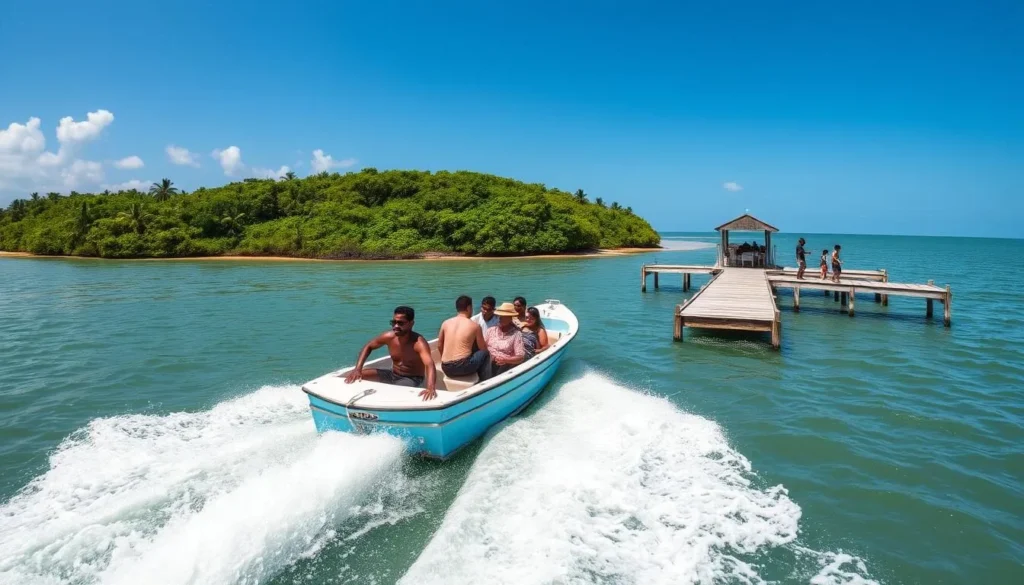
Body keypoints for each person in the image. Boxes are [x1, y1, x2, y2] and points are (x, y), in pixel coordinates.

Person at [343, 306, 438, 400]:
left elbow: (429, 364)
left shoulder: (419, 343)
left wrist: (430, 387)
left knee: (395, 392)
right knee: (355, 377)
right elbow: (368, 346)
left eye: (400, 323)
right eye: (393, 322)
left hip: (412, 379)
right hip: (392, 374)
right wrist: (358, 369)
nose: (396, 326)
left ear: (411, 323)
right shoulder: (389, 336)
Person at [438, 295, 490, 379]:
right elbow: (483, 348)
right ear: (469, 308)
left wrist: (446, 361)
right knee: (485, 353)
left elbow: (439, 345)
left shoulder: (445, 323)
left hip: (446, 368)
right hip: (463, 367)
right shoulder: (475, 326)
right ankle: (485, 380)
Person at [483, 301, 525, 379]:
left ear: (510, 318)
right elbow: (483, 347)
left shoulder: (516, 334)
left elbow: (520, 357)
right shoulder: (491, 330)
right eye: (499, 316)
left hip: (504, 366)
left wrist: (506, 360)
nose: (500, 318)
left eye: (503, 316)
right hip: (487, 362)